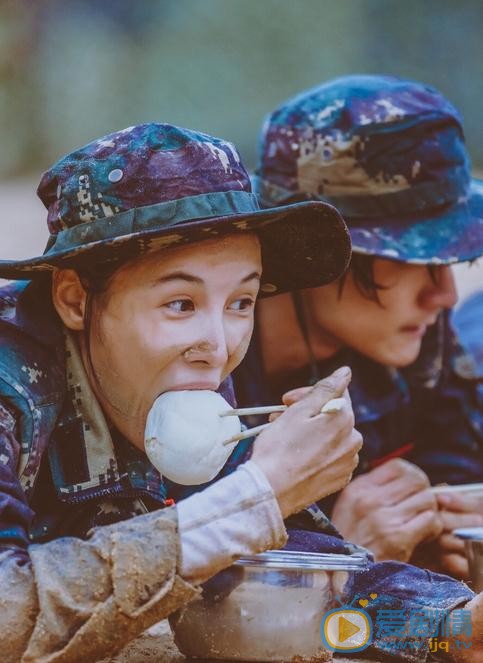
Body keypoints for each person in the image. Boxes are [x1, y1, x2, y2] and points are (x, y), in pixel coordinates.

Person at [0, 123, 480, 663]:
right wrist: (256, 497)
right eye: (180, 304)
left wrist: (455, 628)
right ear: (74, 299)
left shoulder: (192, 386)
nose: (219, 345)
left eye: (241, 302)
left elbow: (315, 580)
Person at [235, 75, 483, 580]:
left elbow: (452, 460)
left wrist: (448, 527)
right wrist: (335, 554)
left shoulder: (412, 328)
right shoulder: (204, 363)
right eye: (414, 257)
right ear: (310, 249)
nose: (444, 294)